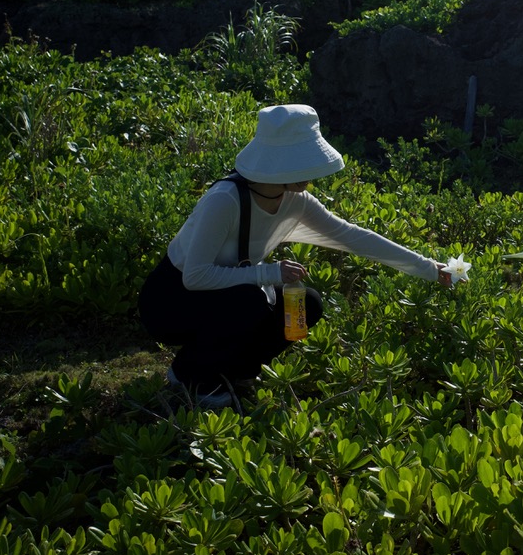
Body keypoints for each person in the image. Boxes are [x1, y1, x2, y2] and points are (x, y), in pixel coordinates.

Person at [139, 103, 453, 409]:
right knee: (248, 302)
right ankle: (189, 374)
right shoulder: (224, 200)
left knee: (305, 306)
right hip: (171, 301)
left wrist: (427, 267)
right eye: (301, 164)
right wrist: (268, 273)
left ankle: (236, 370)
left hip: (227, 293)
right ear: (278, 163)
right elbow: (195, 276)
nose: (310, 175)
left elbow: (352, 236)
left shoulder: (295, 199)